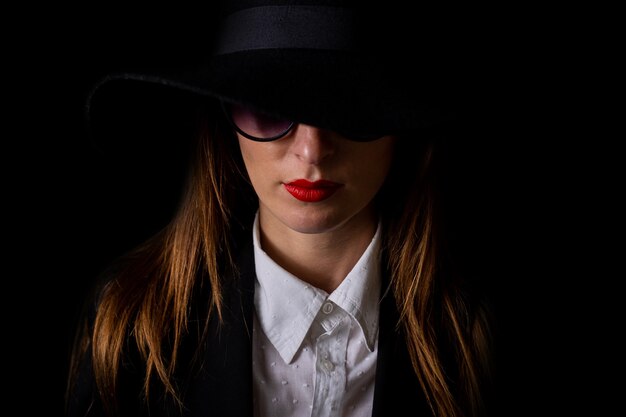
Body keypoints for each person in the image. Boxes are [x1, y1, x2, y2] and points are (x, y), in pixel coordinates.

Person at [66, 1, 494, 416]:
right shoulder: (130, 326)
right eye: (269, 109)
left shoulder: (479, 339)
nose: (312, 151)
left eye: (347, 107)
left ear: (400, 123)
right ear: (224, 117)